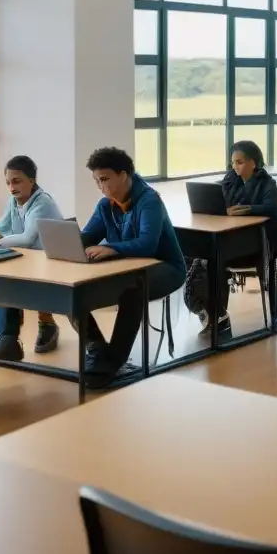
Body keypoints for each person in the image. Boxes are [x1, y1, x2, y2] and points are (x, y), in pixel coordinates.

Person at [79, 147, 186, 387]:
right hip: (126, 268)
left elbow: (148, 244)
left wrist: (112, 249)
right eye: (96, 181)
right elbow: (89, 235)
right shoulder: (105, 205)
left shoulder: (150, 200)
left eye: (104, 179)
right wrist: (70, 243)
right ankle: (97, 349)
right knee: (72, 291)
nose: (100, 186)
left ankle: (114, 361)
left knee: (133, 290)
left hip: (165, 268)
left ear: (124, 174)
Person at [187, 141, 277, 335]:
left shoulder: (267, 183)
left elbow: (273, 208)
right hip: (229, 237)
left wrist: (248, 209)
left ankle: (217, 315)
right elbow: (218, 195)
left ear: (253, 162)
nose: (235, 167)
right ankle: (215, 313)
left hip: (254, 243)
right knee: (195, 254)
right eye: (232, 162)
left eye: (239, 162)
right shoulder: (231, 179)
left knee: (214, 257)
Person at [0, 156, 65, 361]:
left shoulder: (42, 202)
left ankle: (40, 326)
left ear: (32, 180)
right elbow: (1, 229)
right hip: (29, 261)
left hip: (53, 264)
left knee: (11, 281)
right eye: (8, 182)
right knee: (1, 278)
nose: (12, 187)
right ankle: (7, 339)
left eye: (17, 181)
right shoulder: (14, 201)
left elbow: (27, 239)